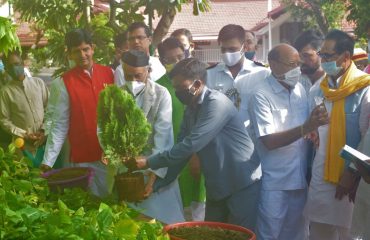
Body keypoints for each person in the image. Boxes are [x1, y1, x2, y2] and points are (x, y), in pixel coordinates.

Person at [135, 58, 261, 230]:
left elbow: (191, 145)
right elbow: (181, 153)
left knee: (239, 234)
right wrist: (156, 185)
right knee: (212, 234)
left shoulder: (216, 104)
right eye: (175, 87)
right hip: (217, 185)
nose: (177, 92)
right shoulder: (191, 109)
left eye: (180, 87)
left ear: (197, 84)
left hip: (241, 182)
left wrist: (149, 161)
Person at [249, 43, 329, 240]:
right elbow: (268, 141)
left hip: (300, 178)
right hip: (274, 182)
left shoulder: (301, 89)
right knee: (269, 234)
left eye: (298, 64)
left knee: (298, 234)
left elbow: (308, 130)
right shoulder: (261, 95)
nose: (298, 69)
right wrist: (306, 128)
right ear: (273, 64)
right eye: (291, 64)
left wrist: (315, 129)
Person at [303, 29, 370, 240]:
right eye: (321, 55)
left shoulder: (364, 89)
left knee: (350, 233)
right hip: (321, 174)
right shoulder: (319, 89)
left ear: (346, 57)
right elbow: (313, 128)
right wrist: (313, 131)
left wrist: (352, 173)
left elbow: (367, 137)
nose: (323, 61)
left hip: (351, 178)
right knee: (319, 233)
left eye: (328, 56)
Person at [41, 29, 114, 197]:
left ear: (93, 48)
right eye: (76, 51)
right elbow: (60, 124)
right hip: (84, 159)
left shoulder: (110, 73)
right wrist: (48, 161)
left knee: (116, 205)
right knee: (90, 207)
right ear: (69, 54)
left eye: (85, 49)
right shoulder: (63, 83)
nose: (82, 55)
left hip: (111, 157)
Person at [118, 50, 184, 224]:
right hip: (127, 171)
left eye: (138, 76)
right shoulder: (116, 95)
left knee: (163, 223)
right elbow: (107, 130)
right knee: (131, 224)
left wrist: (153, 177)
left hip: (155, 165)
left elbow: (163, 137)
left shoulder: (162, 94)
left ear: (148, 71)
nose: (133, 81)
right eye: (128, 76)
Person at [157, 37, 206, 221]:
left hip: (197, 154)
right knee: (176, 212)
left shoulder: (197, 83)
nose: (177, 63)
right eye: (171, 60)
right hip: (171, 156)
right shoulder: (158, 87)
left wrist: (196, 154)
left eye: (180, 57)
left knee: (198, 211)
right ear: (162, 62)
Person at [207, 24, 270, 130]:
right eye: (223, 49)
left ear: (244, 47)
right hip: (220, 140)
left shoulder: (262, 74)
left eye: (232, 49)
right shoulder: (209, 75)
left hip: (252, 140)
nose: (227, 53)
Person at [0, 52, 49, 151]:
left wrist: (44, 130)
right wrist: (24, 134)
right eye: (10, 66)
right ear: (6, 70)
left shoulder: (38, 83)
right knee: (27, 166)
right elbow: (4, 120)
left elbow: (51, 109)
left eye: (16, 64)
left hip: (46, 141)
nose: (14, 68)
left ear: (22, 64)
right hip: (23, 145)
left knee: (50, 166)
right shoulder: (5, 92)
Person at [114, 22, 166, 87]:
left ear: (149, 40)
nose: (136, 41)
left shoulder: (157, 63)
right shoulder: (121, 70)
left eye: (140, 37)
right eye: (131, 39)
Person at [293, 29, 326, 94]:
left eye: (306, 55)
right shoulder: (294, 82)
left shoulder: (334, 84)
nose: (301, 61)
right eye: (298, 56)